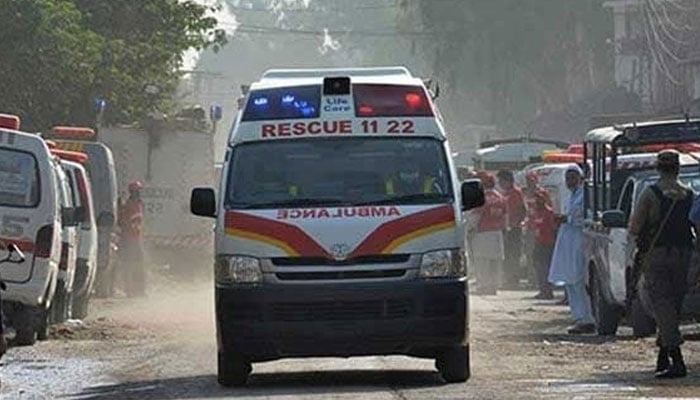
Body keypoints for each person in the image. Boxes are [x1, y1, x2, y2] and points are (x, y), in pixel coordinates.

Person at [629, 150, 693, 379]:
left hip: (657, 255)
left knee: (662, 305)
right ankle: (663, 356)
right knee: (673, 305)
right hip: (684, 254)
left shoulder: (650, 193)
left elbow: (635, 227)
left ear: (658, 167)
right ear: (677, 168)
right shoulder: (689, 194)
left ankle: (677, 360)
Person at [548, 165, 595, 334]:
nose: (570, 181)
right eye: (568, 178)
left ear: (581, 178)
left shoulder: (585, 195)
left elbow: (582, 217)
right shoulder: (572, 196)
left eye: (573, 177)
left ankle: (586, 318)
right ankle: (580, 317)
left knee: (579, 280)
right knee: (571, 281)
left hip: (579, 242)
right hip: (569, 242)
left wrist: (566, 218)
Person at [467, 171, 506, 295]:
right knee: (495, 261)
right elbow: (506, 217)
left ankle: (483, 286)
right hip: (497, 233)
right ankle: (494, 286)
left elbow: (475, 217)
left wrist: (468, 230)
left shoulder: (480, 197)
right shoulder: (500, 196)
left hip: (482, 233)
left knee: (481, 262)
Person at [497, 169, 527, 289]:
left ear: (508, 180)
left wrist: (517, 223)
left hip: (514, 229)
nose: (500, 183)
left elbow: (522, 210)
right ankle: (508, 279)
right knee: (507, 255)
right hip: (505, 228)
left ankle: (514, 280)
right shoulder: (504, 194)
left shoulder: (516, 193)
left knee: (513, 255)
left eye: (501, 181)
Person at [522, 172, 552, 288]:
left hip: (541, 228)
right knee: (529, 254)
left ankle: (541, 281)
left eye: (532, 180)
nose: (530, 182)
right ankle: (532, 278)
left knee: (540, 257)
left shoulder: (542, 193)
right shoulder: (525, 193)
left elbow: (548, 207)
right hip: (530, 227)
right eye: (528, 180)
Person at [118, 180, 147, 297]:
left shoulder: (138, 204)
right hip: (129, 239)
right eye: (137, 191)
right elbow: (124, 221)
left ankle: (139, 289)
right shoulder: (130, 205)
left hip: (135, 239)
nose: (138, 193)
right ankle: (130, 290)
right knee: (130, 265)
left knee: (139, 265)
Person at [529, 191, 557, 300]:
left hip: (547, 244)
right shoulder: (536, 213)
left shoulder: (549, 213)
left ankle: (548, 291)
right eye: (536, 199)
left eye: (539, 199)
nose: (537, 201)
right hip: (538, 243)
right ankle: (542, 290)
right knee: (539, 268)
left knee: (546, 268)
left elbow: (553, 228)